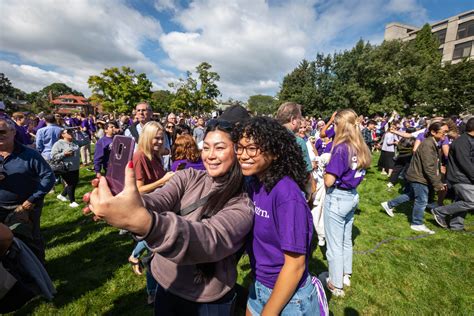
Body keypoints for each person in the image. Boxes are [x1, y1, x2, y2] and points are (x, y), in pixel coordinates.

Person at [85, 120, 254, 315]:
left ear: (237, 152)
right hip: (165, 282)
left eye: (220, 148)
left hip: (207, 298)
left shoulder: (242, 203)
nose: (210, 155)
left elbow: (208, 239)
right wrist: (122, 201)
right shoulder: (189, 176)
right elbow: (157, 200)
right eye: (206, 147)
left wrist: (146, 223)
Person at [235, 117, 319, 315]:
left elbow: (295, 266)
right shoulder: (253, 183)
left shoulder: (287, 196)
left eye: (252, 148)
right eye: (240, 147)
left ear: (275, 153)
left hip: (290, 297)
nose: (243, 155)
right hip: (259, 286)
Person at [323, 109, 371, 297]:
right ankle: (344, 274)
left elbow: (328, 180)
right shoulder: (361, 145)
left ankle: (335, 284)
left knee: (334, 244)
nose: (333, 127)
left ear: (342, 126)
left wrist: (325, 165)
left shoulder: (342, 147)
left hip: (338, 197)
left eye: (335, 124)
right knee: (345, 239)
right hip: (352, 196)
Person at [128, 121, 175, 304]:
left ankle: (153, 289)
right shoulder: (139, 156)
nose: (159, 141)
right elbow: (138, 190)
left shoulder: (153, 155)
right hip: (147, 208)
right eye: (156, 138)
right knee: (153, 252)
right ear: (147, 137)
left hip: (158, 207)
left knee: (156, 251)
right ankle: (152, 291)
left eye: (161, 138)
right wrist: (163, 180)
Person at [0, 117, 55, 263]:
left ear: (13, 132)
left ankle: (40, 273)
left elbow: (48, 177)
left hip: (25, 206)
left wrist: (30, 201)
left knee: (31, 241)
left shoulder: (29, 154)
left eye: (2, 131)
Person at [381, 121, 449, 234]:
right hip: (419, 177)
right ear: (433, 132)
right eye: (444, 132)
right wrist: (437, 184)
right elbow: (428, 167)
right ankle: (417, 223)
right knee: (421, 200)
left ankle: (388, 204)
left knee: (411, 195)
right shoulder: (428, 145)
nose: (445, 135)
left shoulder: (433, 143)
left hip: (418, 175)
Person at [431, 117, 474, 231]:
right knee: (471, 201)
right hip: (460, 177)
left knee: (462, 201)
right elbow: (465, 163)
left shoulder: (469, 140)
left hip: (466, 177)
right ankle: (440, 211)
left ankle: (456, 226)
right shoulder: (462, 142)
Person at [51, 128, 90, 208]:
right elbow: (53, 156)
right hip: (65, 167)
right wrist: (64, 154)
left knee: (74, 182)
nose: (70, 133)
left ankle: (62, 195)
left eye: (71, 131)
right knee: (71, 183)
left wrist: (81, 132)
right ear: (63, 135)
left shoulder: (74, 142)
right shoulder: (58, 144)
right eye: (68, 132)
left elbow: (86, 141)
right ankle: (72, 201)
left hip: (75, 167)